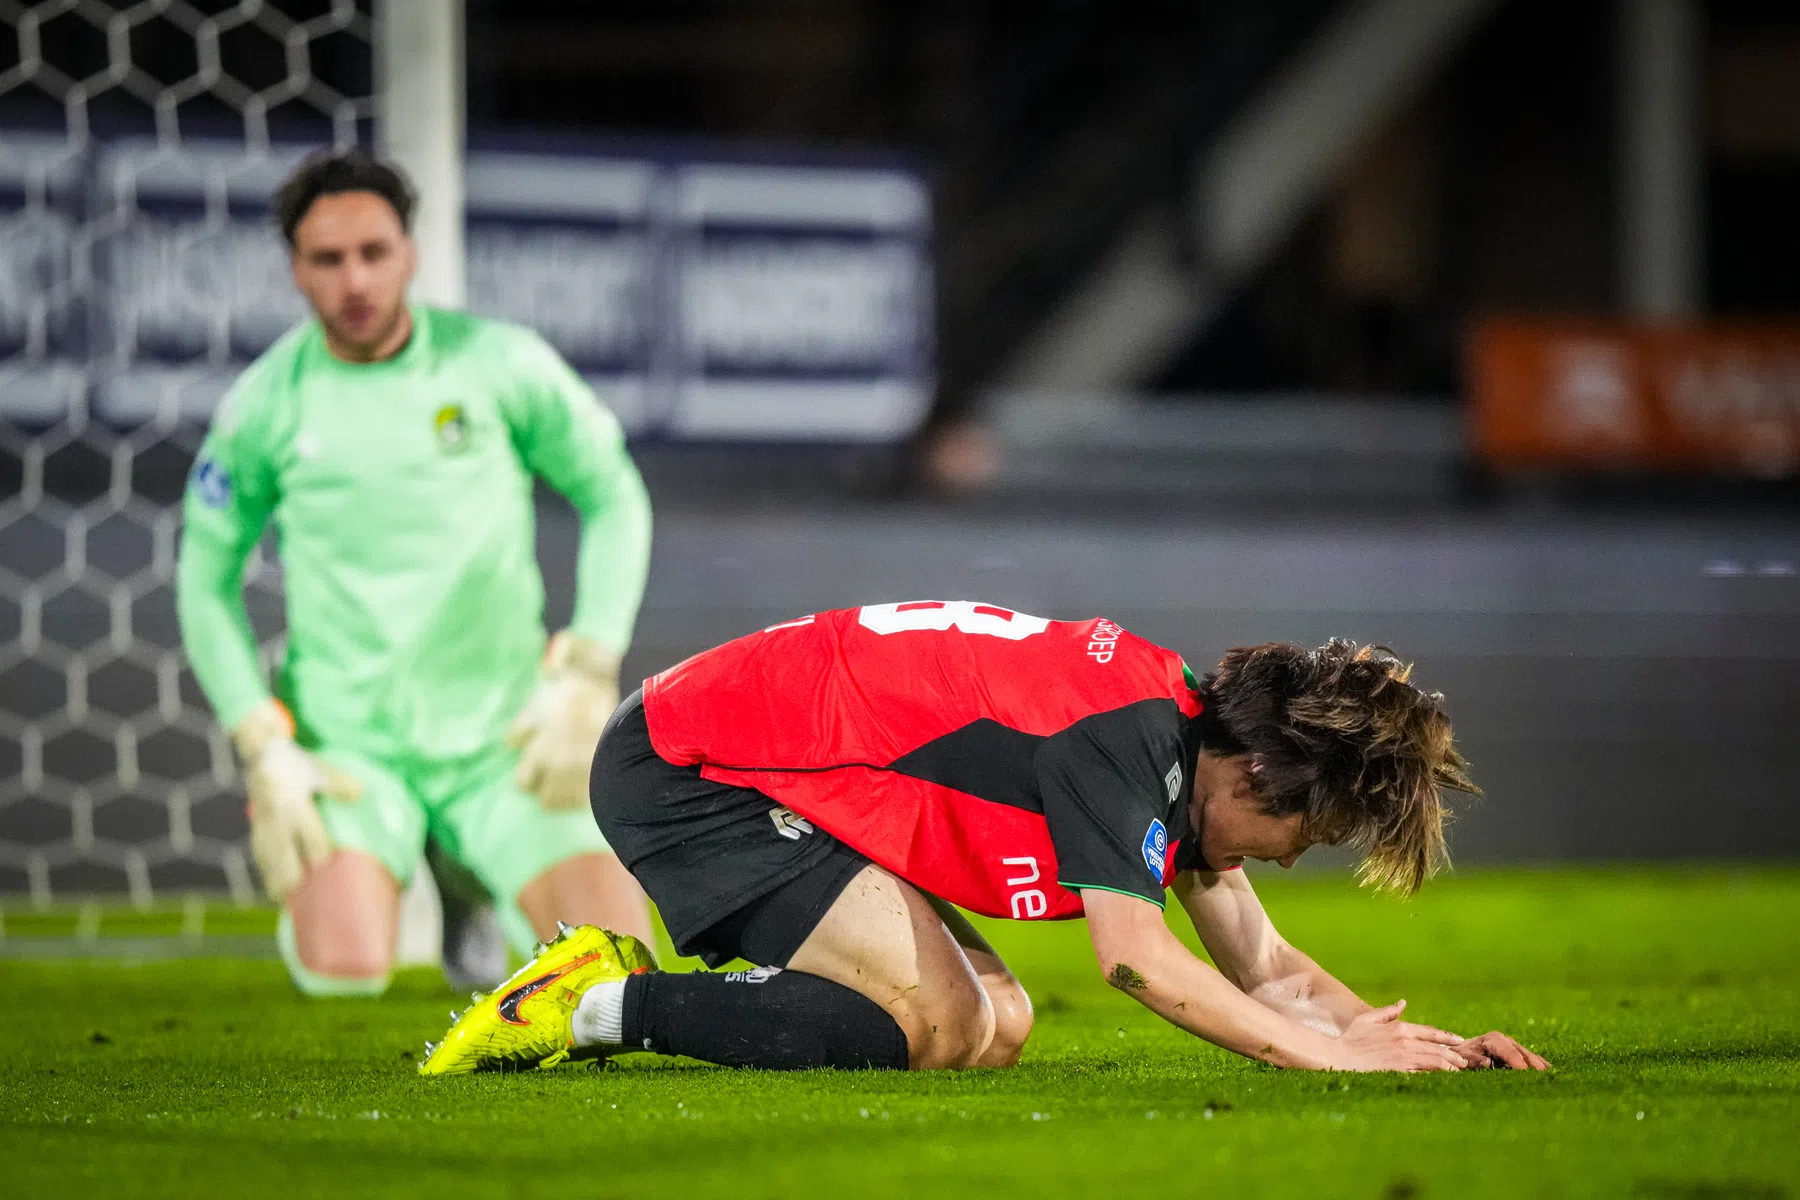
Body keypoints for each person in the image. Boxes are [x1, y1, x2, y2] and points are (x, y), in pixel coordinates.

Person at [420, 601, 1547, 1074]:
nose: (1297, 856)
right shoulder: (1136, 749)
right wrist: (1330, 1058)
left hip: (763, 761)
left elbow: (1263, 965)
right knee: (940, 1019)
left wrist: (1401, 1043)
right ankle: (590, 1001)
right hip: (688, 769)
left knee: (998, 1025)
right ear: (1257, 771)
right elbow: (1135, 961)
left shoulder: (1183, 740)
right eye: (1311, 828)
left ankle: (758, 983)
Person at [176, 150, 655, 997]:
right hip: (352, 749)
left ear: (410, 253)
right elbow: (203, 580)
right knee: (344, 972)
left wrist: (587, 665)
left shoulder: (499, 364)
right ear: (296, 270)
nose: (354, 279)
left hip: (505, 740)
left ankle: (466, 871)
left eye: (374, 252)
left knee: (617, 967)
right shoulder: (265, 404)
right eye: (328, 259)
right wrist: (263, 745)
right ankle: (409, 857)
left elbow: (613, 494)